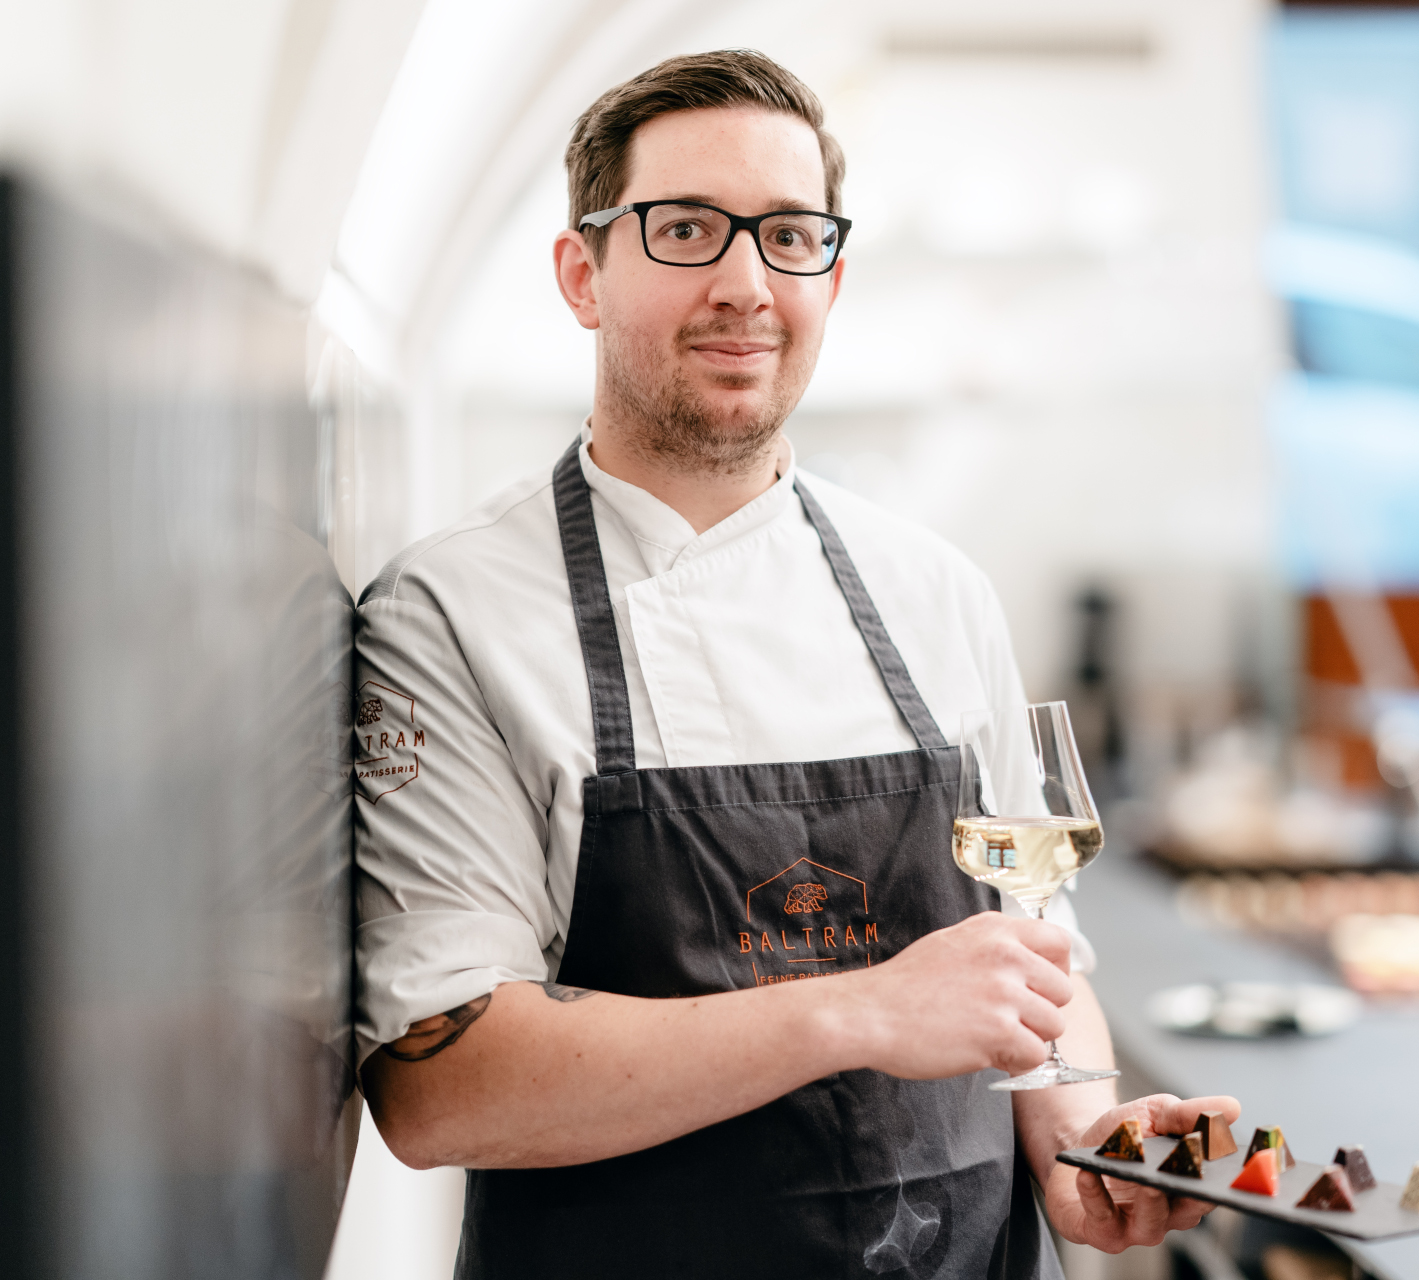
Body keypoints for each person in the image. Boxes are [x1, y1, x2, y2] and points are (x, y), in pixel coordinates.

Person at [353, 48, 1237, 1278]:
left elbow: (1031, 961)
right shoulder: (452, 612)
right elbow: (443, 1083)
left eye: (789, 235)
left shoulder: (936, 593)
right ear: (582, 273)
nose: (744, 284)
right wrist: (859, 1010)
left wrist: (1085, 1140)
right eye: (686, 229)